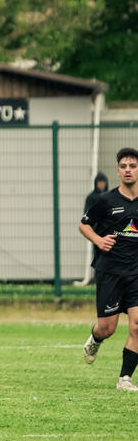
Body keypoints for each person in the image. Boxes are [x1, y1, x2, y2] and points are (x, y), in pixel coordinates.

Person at [79, 147, 138, 392]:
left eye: (132, 166)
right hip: (110, 272)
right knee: (107, 328)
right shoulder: (105, 201)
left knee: (137, 325)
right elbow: (84, 225)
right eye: (123, 166)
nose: (128, 170)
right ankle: (96, 338)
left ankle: (125, 378)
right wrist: (98, 240)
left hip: (136, 273)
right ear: (118, 170)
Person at [76, 172, 109, 286]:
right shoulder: (91, 198)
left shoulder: (110, 197)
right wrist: (93, 231)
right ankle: (98, 277)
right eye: (99, 182)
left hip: (108, 232)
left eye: (103, 182)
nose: (101, 185)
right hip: (96, 232)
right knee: (98, 255)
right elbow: (86, 218)